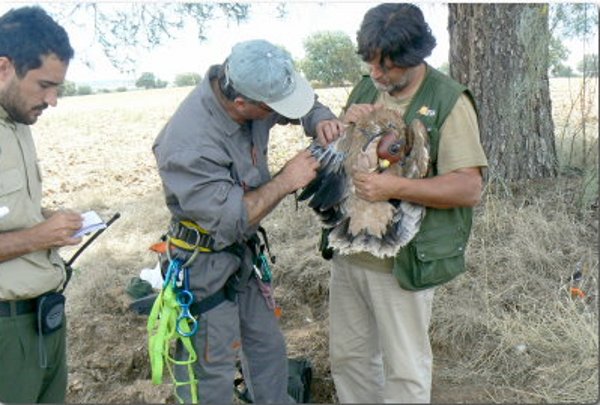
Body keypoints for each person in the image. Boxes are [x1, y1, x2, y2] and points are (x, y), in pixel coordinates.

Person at [152, 39, 343, 403]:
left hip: (240, 257)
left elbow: (302, 104)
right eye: (271, 109)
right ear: (242, 104)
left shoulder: (254, 88)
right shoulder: (187, 144)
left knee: (267, 349)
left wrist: (320, 119)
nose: (276, 113)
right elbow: (231, 220)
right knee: (213, 371)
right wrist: (287, 180)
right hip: (205, 265)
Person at [326, 3, 488, 403]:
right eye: (371, 64)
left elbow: (469, 188)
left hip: (405, 263)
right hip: (352, 255)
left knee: (405, 369)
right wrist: (347, 124)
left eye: (387, 67)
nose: (376, 75)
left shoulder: (449, 101)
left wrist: (393, 188)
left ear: (416, 57)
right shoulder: (368, 88)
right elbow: (338, 159)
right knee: (350, 359)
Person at [0, 6, 82, 404]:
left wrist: (46, 220)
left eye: (59, 89)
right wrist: (38, 236)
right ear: (4, 68)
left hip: (42, 320)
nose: (52, 101)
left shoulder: (16, 120)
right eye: (45, 85)